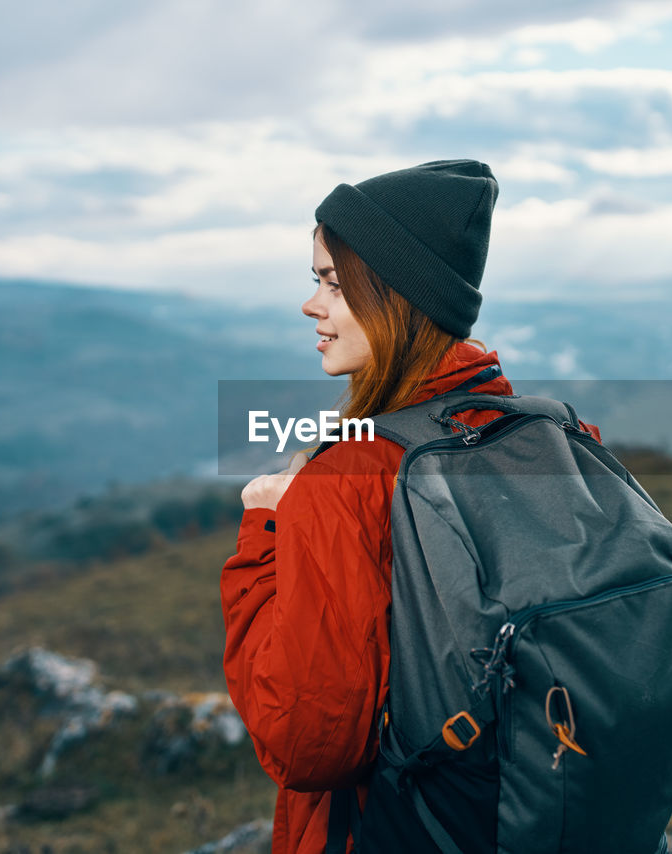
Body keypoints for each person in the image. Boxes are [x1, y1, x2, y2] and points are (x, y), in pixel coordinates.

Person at [220, 160, 600, 853]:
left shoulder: (352, 474)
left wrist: (267, 529)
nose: (313, 306)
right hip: (542, 811)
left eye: (332, 284)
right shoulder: (544, 434)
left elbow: (307, 742)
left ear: (393, 297)